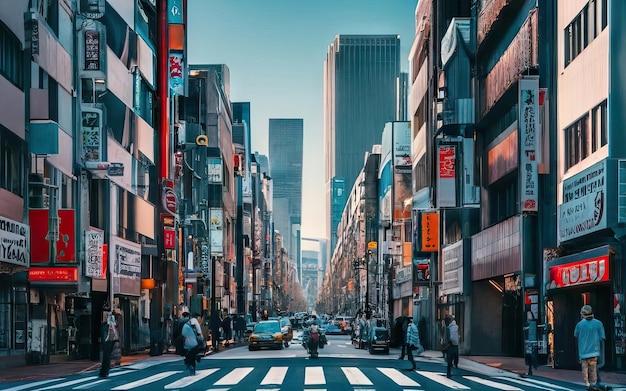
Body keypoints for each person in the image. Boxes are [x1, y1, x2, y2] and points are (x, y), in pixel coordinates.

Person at [574, 305, 606, 390]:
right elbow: (602, 338)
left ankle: (588, 384)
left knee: (585, 369)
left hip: (583, 352)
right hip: (595, 351)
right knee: (594, 367)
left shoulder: (579, 325)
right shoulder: (598, 323)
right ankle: (595, 383)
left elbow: (576, 337)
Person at [99, 312, 119, 378]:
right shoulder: (105, 326)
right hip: (109, 340)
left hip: (109, 340)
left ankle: (104, 372)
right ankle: (104, 372)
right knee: (106, 356)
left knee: (107, 356)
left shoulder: (107, 325)